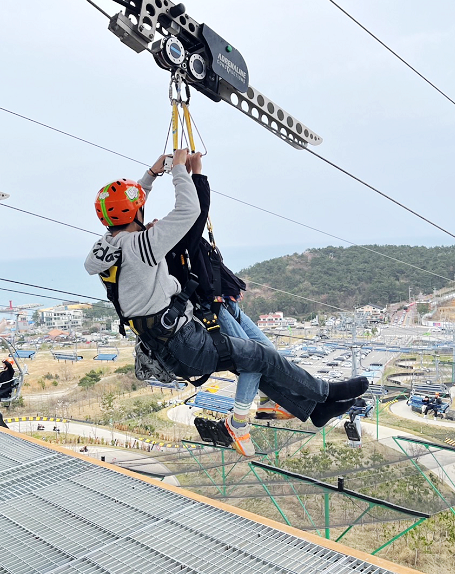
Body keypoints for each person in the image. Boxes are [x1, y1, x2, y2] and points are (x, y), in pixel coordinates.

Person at [84, 150, 368, 456]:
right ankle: (325, 392)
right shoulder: (143, 245)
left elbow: (128, 210)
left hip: (168, 343)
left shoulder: (106, 248)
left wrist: (151, 175)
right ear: (136, 213)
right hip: (185, 342)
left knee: (254, 359)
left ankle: (315, 409)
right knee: (260, 356)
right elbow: (189, 209)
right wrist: (178, 169)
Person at [162, 151, 293, 434]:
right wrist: (194, 174)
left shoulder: (182, 244)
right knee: (252, 360)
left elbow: (190, 212)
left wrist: (186, 174)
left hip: (226, 303)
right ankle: (238, 421)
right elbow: (195, 210)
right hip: (213, 308)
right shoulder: (175, 246)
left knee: (268, 352)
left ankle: (270, 402)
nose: (156, 224)